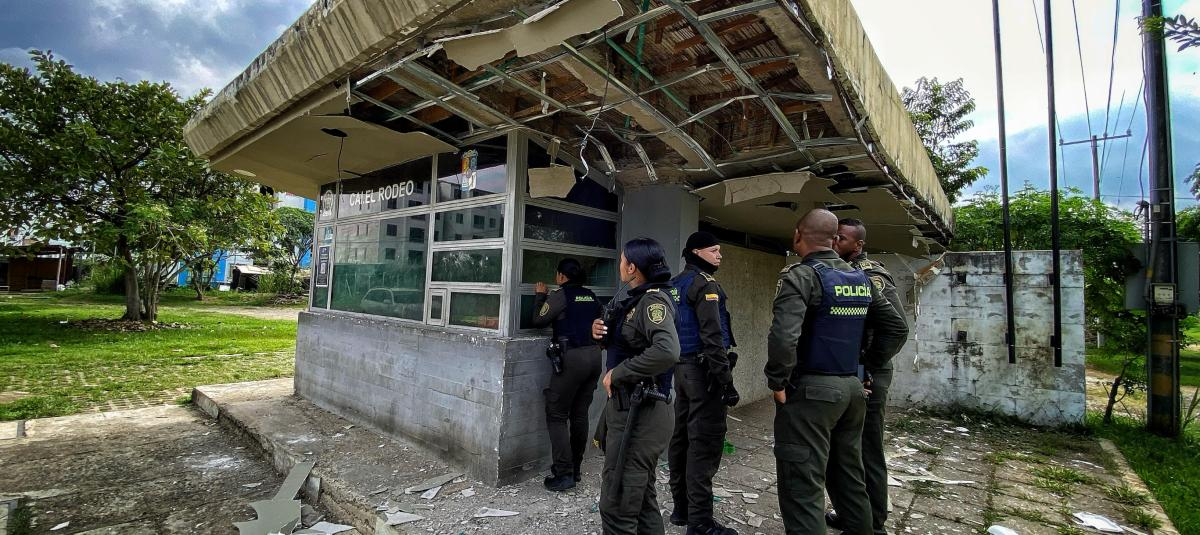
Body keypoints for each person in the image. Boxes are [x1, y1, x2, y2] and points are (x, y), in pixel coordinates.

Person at [764, 209, 908, 535]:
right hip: (853, 391)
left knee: (802, 485)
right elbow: (896, 327)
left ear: (797, 236)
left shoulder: (801, 276)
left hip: (812, 392)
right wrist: (866, 367)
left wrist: (777, 380)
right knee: (848, 476)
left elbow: (784, 337)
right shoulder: (860, 279)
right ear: (832, 239)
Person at [826, 218, 910, 534]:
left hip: (869, 374)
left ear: (858, 244)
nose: (835, 242)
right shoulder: (840, 273)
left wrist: (870, 366)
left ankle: (874, 521)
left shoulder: (871, 276)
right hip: (851, 373)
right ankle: (851, 512)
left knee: (866, 449)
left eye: (842, 238)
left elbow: (896, 328)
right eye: (833, 236)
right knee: (844, 450)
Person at [592, 237, 680, 535]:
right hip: (630, 407)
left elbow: (667, 351)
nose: (619, 265)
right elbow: (628, 339)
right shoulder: (633, 298)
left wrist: (617, 374)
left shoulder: (653, 301)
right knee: (641, 499)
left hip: (642, 411)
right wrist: (600, 332)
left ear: (632, 267)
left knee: (617, 504)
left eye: (621, 260)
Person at [667, 231, 740, 535]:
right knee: (704, 444)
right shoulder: (704, 285)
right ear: (696, 252)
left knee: (681, 438)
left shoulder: (674, 284)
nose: (719, 256)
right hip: (704, 373)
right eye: (714, 251)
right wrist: (726, 381)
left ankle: (682, 509)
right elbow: (712, 337)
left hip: (681, 370)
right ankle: (700, 522)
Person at [532, 258, 603, 492]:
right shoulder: (591, 295)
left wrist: (540, 296)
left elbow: (538, 320)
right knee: (580, 414)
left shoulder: (561, 295)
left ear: (562, 276)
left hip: (572, 358)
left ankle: (564, 474)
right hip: (593, 357)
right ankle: (576, 468)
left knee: (556, 414)